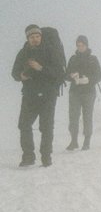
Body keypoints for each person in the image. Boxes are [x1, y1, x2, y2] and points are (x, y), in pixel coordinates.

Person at [11, 24, 65, 167]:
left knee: (46, 127)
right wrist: (20, 76)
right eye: (31, 37)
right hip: (29, 95)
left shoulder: (50, 51)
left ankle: (46, 157)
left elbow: (60, 73)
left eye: (37, 36)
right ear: (27, 38)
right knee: (24, 124)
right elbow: (14, 72)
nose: (35, 39)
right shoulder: (23, 53)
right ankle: (28, 156)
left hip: (48, 95)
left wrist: (40, 68)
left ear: (41, 36)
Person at [66, 35, 101, 151]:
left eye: (82, 45)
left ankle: (87, 141)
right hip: (75, 92)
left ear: (86, 45)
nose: (80, 47)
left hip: (88, 92)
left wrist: (89, 80)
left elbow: (98, 76)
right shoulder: (73, 59)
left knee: (87, 116)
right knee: (73, 117)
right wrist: (72, 76)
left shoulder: (93, 59)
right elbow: (66, 74)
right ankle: (74, 141)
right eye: (78, 45)